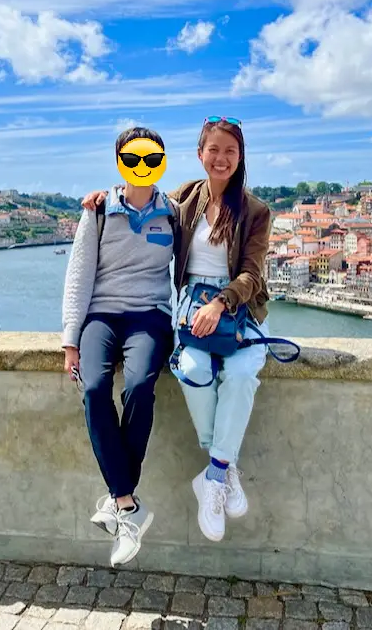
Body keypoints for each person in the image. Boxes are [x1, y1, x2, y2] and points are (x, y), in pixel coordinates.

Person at [82, 116, 272, 543]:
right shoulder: (184, 199)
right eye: (214, 150)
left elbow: (253, 273)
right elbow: (138, 194)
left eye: (231, 151)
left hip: (237, 308)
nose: (221, 158)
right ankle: (224, 467)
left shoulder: (256, 211)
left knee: (241, 376)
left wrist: (222, 302)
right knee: (192, 370)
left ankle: (217, 472)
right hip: (190, 307)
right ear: (200, 154)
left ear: (240, 157)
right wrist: (103, 196)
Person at [61, 126, 177, 567]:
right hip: (101, 316)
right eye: (134, 158)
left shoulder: (175, 213)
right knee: (92, 388)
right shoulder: (97, 212)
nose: (143, 167)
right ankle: (128, 503)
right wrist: (70, 340)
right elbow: (78, 276)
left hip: (150, 316)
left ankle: (120, 502)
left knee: (140, 385)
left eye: (152, 158)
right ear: (119, 161)